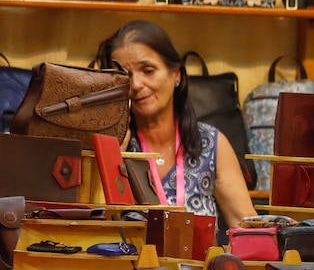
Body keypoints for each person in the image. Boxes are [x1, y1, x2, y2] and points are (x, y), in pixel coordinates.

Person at [95, 20, 255, 229]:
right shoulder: (114, 144)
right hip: (133, 262)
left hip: (201, 262)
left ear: (176, 74)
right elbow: (94, 226)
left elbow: (245, 228)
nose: (135, 85)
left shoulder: (210, 143)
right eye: (125, 75)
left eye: (148, 70)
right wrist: (113, 155)